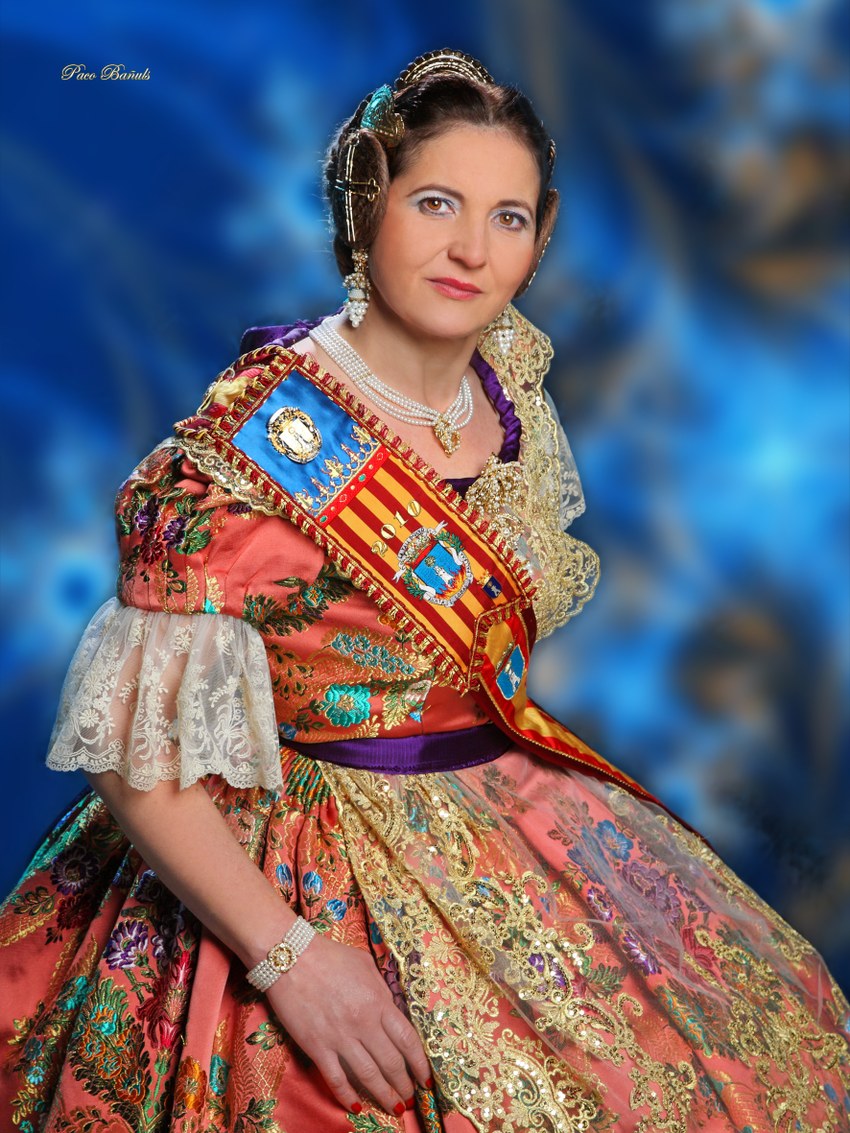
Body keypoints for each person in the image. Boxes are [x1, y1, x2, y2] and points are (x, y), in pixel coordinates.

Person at [1, 48, 847, 1133]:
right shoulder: (233, 461)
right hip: (281, 864)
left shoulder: (505, 395)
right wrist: (292, 955)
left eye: (508, 217)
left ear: (540, 239)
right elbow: (136, 760)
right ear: (368, 209)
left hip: (500, 819)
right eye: (436, 203)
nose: (471, 250)